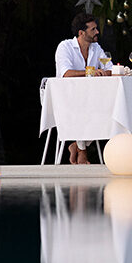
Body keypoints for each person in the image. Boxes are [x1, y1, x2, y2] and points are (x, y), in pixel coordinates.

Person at [54, 12, 112, 164]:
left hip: (92, 97)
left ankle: (77, 145)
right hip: (67, 98)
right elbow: (66, 73)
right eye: (93, 29)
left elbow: (109, 68)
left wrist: (105, 71)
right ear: (81, 33)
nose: (97, 32)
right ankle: (82, 151)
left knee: (111, 109)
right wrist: (92, 71)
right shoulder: (65, 47)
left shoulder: (96, 47)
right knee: (84, 107)